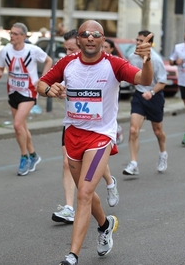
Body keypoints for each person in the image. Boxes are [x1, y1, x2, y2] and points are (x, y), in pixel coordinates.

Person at [38, 20, 153, 265]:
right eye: (85, 34)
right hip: (73, 135)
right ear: (78, 40)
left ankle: (73, 255)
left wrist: (147, 60)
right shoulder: (67, 63)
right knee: (85, 193)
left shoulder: (114, 64)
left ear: (103, 40)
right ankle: (105, 225)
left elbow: (143, 79)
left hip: (100, 137)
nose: (90, 38)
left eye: (96, 34)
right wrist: (50, 90)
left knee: (85, 193)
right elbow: (41, 84)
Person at [52, 29, 120, 225]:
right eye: (65, 49)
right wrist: (54, 89)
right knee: (67, 163)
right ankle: (69, 208)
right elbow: (49, 83)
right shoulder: (68, 64)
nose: (68, 54)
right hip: (74, 123)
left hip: (98, 128)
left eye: (71, 49)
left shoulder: (102, 64)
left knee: (95, 160)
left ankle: (110, 182)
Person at [0, 22, 53, 175]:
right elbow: (0, 66)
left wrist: (43, 79)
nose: (11, 36)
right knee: (22, 128)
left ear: (23, 36)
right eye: (11, 33)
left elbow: (48, 60)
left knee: (17, 125)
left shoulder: (32, 50)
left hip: (29, 92)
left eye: (15, 34)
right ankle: (34, 155)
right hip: (13, 91)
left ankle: (24, 157)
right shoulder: (5, 50)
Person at [123, 30, 168, 175]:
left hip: (155, 96)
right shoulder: (132, 57)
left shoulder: (156, 59)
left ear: (148, 43)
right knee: (133, 130)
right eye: (137, 40)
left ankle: (163, 154)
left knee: (157, 131)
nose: (137, 43)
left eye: (141, 40)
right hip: (139, 96)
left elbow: (162, 81)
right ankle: (134, 163)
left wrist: (152, 92)